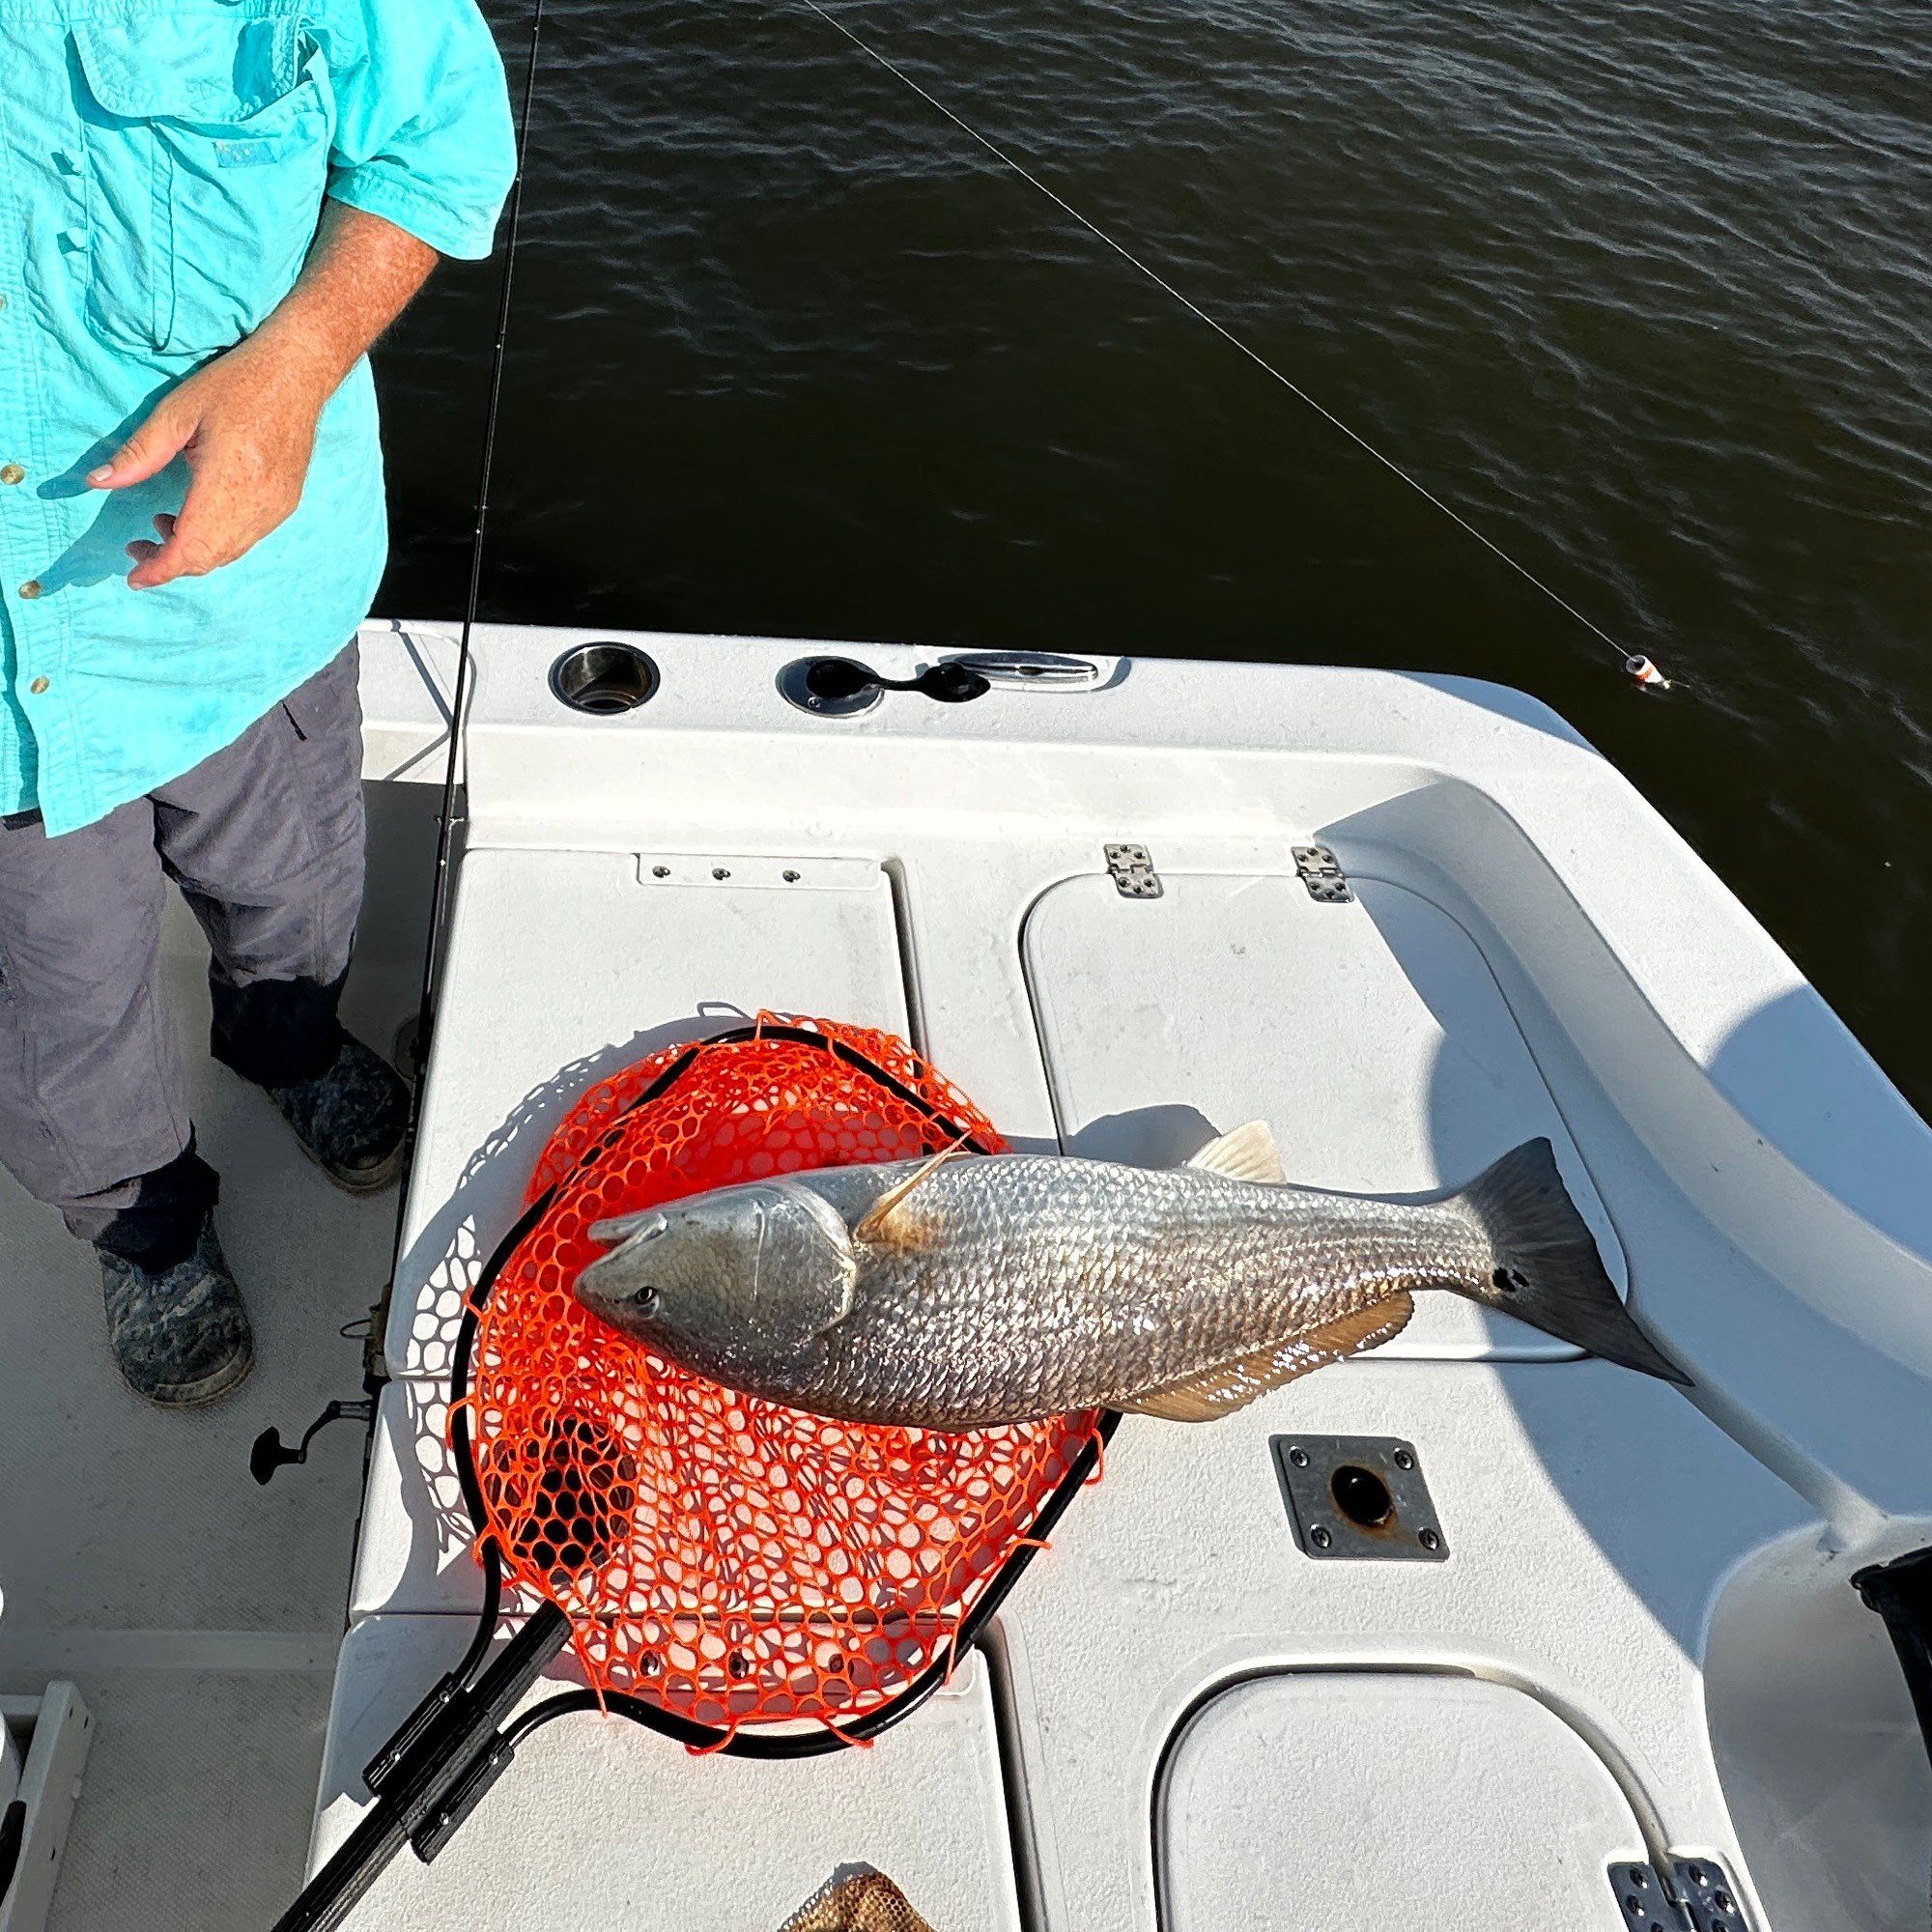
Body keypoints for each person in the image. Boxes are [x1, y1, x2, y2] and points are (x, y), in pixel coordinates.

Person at [0, 3, 518, 1407]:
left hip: (250, 609)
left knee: (293, 893)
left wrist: (294, 368)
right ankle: (144, 1225)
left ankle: (287, 1043)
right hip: (9, 716)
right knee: (56, 1017)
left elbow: (437, 144)